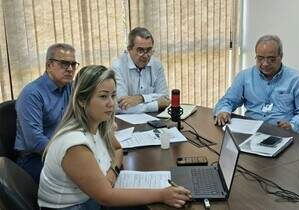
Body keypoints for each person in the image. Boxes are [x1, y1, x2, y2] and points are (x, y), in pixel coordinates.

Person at [38, 65, 191, 209]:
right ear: (82, 101)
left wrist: (111, 174)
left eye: (113, 95)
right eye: (103, 96)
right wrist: (162, 194)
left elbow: (118, 149)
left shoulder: (98, 123)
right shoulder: (74, 145)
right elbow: (107, 197)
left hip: (91, 198)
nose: (111, 104)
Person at [213, 35, 299, 134]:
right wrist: (223, 111)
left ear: (281, 56)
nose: (265, 63)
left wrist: (293, 126)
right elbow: (228, 100)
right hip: (250, 133)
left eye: (271, 59)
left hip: (281, 133)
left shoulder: (296, 79)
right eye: (260, 58)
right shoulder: (245, 76)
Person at [15, 43, 79, 183]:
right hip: (35, 158)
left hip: (62, 148)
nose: (70, 69)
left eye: (73, 64)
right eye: (64, 64)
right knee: (82, 177)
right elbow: (35, 141)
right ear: (49, 65)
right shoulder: (32, 94)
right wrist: (69, 156)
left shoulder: (70, 87)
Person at [111, 27, 170, 113]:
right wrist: (156, 105)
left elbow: (165, 98)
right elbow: (121, 107)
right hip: (125, 123)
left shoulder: (156, 64)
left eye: (149, 50)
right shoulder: (117, 67)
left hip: (153, 119)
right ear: (129, 49)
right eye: (140, 50)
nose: (146, 55)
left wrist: (141, 98)